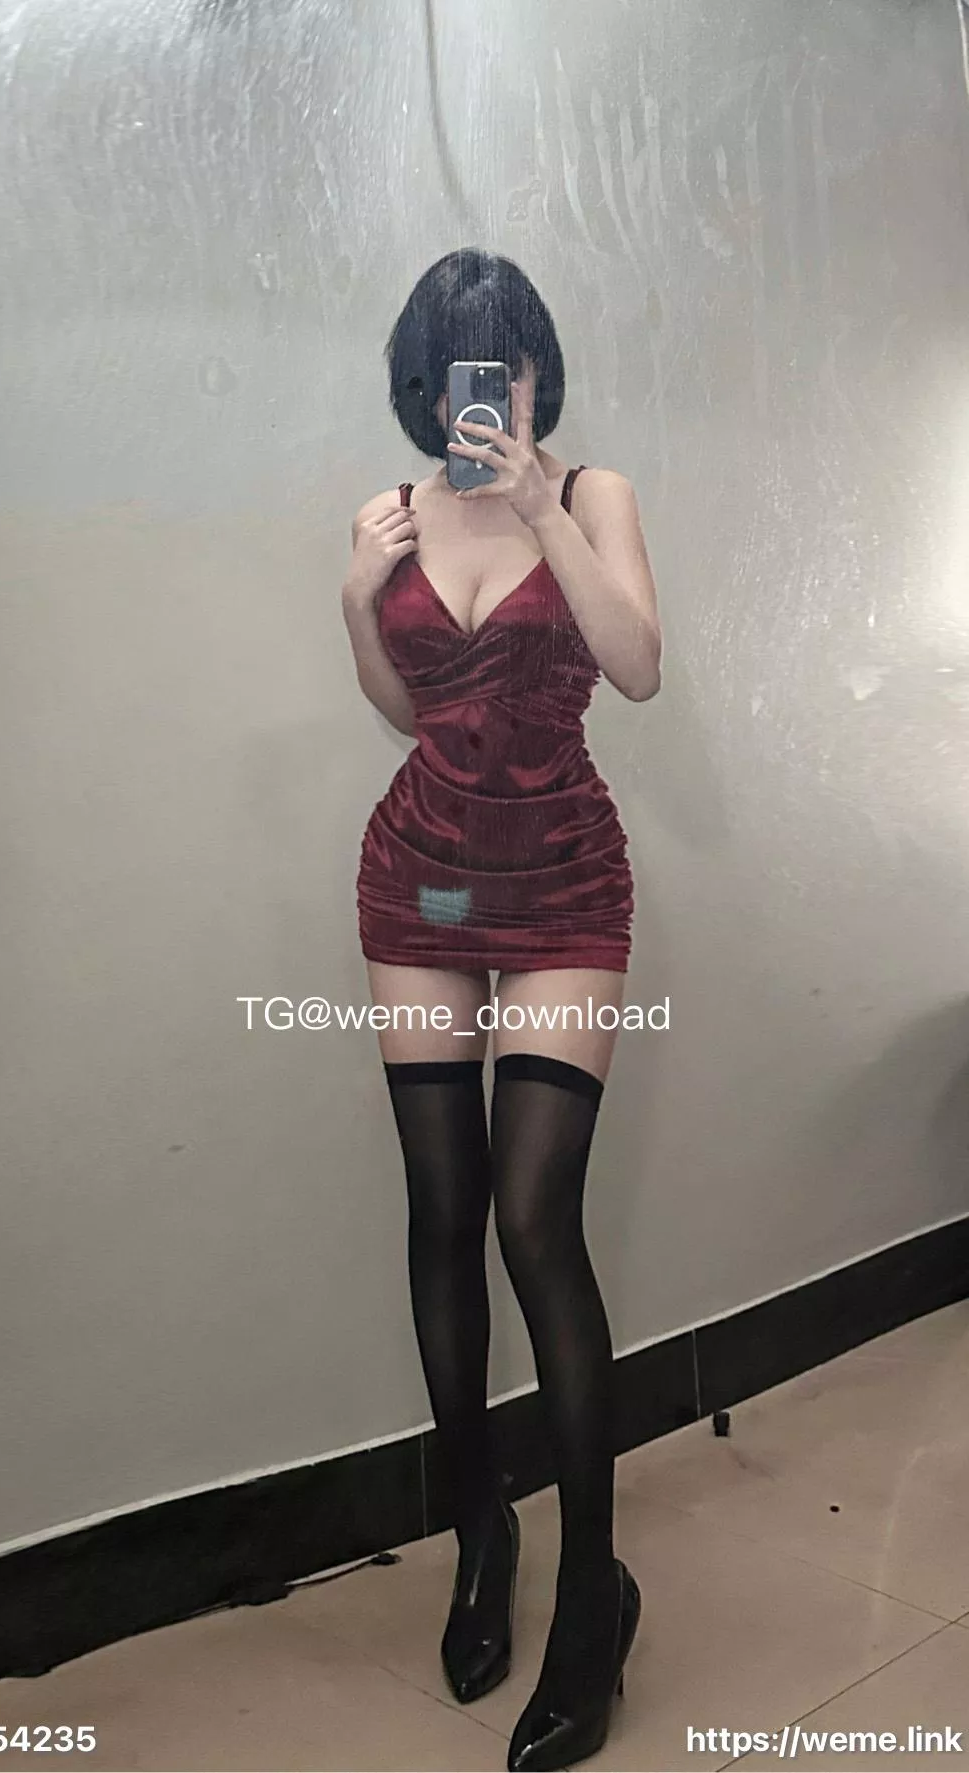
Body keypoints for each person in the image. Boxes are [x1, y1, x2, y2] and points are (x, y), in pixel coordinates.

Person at [341, 248, 662, 1773]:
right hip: (425, 885)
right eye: (467, 362)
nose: (494, 386)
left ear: (537, 369)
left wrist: (543, 511)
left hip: (561, 885)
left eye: (512, 358)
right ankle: (484, 1532)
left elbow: (639, 668)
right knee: (442, 1210)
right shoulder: (391, 518)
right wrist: (357, 598)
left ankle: (595, 1594)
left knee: (537, 1221)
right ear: (426, 379)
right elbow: (410, 708)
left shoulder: (591, 494)